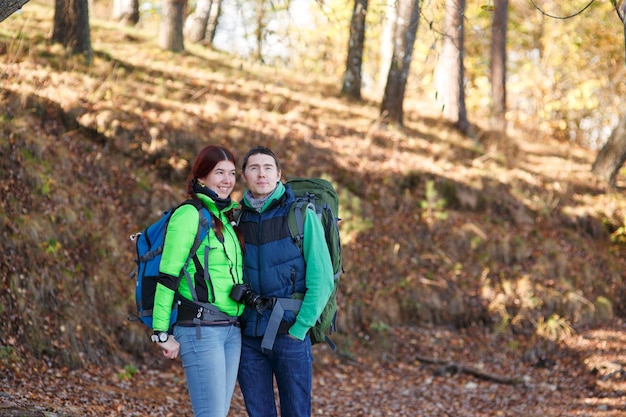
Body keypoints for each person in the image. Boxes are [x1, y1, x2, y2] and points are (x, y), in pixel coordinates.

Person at [236, 145, 334, 417]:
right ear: (244, 175)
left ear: (279, 174)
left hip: (290, 332)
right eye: (254, 168)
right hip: (248, 336)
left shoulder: (301, 215)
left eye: (268, 168)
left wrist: (300, 328)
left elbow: (322, 279)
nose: (261, 174)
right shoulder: (236, 219)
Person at [152, 145, 245, 417]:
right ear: (201, 177)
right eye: (219, 172)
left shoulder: (226, 218)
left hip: (231, 331)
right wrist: (161, 332)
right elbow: (168, 274)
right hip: (201, 330)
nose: (227, 180)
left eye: (231, 173)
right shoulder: (189, 215)